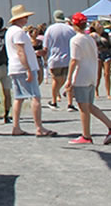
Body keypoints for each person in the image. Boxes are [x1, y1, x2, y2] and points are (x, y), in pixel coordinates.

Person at [6, 5, 56, 137]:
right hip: (22, 68)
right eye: (25, 17)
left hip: (15, 67)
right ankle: (39, 127)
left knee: (18, 98)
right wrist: (28, 68)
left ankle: (16, 126)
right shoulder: (18, 32)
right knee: (35, 97)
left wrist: (33, 54)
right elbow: (20, 51)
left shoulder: (10, 31)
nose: (27, 19)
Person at [67, 12, 111, 144]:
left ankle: (86, 135)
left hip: (82, 75)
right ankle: (109, 125)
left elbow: (74, 60)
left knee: (83, 106)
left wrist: (69, 79)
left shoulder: (75, 40)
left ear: (74, 25)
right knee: (90, 106)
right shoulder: (90, 38)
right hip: (91, 74)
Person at [42, 10, 76, 111]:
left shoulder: (50, 29)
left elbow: (45, 47)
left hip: (55, 59)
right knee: (69, 80)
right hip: (68, 58)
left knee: (55, 81)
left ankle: (54, 101)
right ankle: (70, 103)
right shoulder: (70, 29)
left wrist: (44, 57)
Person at [91, 20, 111, 98]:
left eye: (101, 25)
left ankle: (108, 93)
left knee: (107, 74)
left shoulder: (106, 35)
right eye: (98, 25)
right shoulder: (93, 35)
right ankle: (96, 91)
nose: (100, 26)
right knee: (98, 74)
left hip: (107, 53)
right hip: (98, 54)